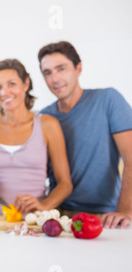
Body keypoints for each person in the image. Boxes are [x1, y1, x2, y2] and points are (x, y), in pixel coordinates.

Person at [38, 41, 132, 229]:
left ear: (78, 68)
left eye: (61, 69)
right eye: (47, 73)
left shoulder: (108, 100)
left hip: (104, 215)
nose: (55, 78)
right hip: (56, 215)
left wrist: (125, 211)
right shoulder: (44, 117)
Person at [0, 59, 72, 215]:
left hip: (34, 221)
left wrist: (44, 206)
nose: (5, 93)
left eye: (12, 84)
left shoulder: (48, 125)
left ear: (26, 84)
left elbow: (65, 184)